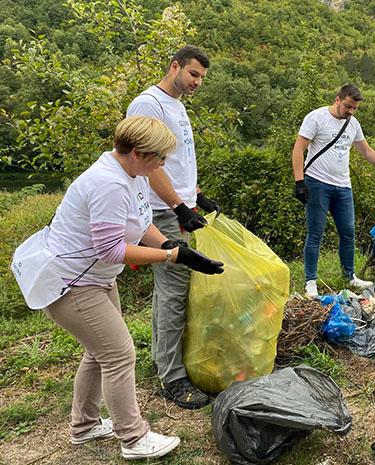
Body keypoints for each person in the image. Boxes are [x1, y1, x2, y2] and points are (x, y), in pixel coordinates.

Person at [41, 116, 224, 460]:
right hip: (73, 282)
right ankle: (134, 438)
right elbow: (109, 249)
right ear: (138, 152)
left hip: (95, 278)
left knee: (99, 353)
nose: (163, 165)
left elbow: (140, 224)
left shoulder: (131, 173)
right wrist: (170, 255)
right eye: (159, 158)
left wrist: (174, 245)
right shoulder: (108, 183)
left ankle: (84, 426)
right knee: (119, 354)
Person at [126, 45, 220, 409]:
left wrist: (196, 194)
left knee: (172, 289)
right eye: (193, 74)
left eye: (201, 78)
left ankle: (164, 361)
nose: (196, 82)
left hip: (179, 204)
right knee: (174, 290)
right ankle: (172, 378)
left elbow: (178, 161)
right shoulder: (149, 104)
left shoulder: (177, 105)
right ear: (174, 66)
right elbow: (149, 164)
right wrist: (178, 206)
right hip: (161, 211)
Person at [291, 84, 375, 298]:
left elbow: (366, 151)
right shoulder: (316, 118)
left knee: (348, 232)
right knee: (316, 232)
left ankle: (349, 275)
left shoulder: (353, 124)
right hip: (317, 183)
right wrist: (299, 181)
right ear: (337, 100)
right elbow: (298, 149)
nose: (350, 112)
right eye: (347, 107)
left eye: (354, 108)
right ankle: (311, 282)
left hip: (343, 186)